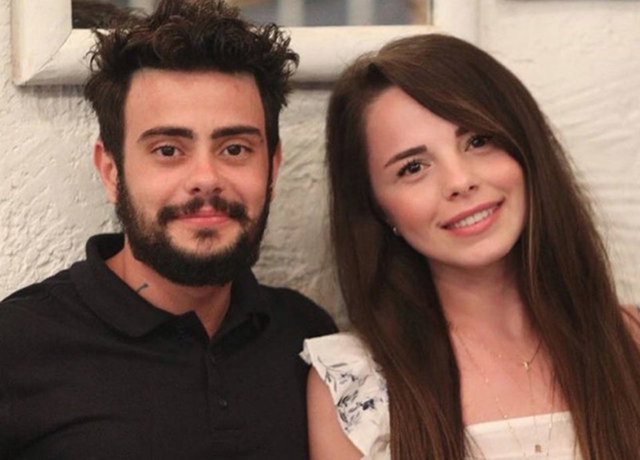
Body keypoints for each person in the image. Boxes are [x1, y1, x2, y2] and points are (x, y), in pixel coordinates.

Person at [0, 1, 336, 458]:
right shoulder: (19, 345)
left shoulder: (308, 337)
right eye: (168, 150)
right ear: (111, 172)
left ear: (272, 168)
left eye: (235, 149)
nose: (206, 178)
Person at [302, 34, 640, 459]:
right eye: (413, 167)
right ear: (378, 208)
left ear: (526, 147)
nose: (460, 182)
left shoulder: (629, 341)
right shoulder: (354, 387)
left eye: (478, 141)